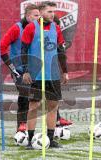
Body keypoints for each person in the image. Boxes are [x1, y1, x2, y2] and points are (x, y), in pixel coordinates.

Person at [21, 1, 69, 148]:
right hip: (36, 74)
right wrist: (26, 71)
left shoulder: (56, 28)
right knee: (33, 106)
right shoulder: (30, 28)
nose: (52, 14)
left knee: (53, 106)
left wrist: (65, 71)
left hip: (53, 74)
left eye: (53, 11)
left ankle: (50, 138)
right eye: (49, 11)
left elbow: (61, 51)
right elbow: (23, 50)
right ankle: (30, 140)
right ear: (41, 12)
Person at [0, 4, 40, 132]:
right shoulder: (16, 28)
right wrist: (13, 69)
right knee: (25, 93)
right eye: (36, 15)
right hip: (20, 71)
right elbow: (2, 47)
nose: (39, 17)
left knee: (48, 93)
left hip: (36, 70)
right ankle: (22, 125)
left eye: (39, 15)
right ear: (28, 16)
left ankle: (56, 122)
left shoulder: (39, 29)